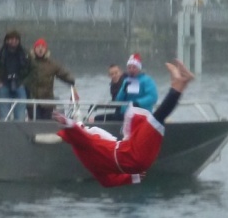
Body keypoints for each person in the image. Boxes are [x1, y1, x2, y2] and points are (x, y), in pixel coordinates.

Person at [54, 60, 196, 187]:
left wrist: (132, 178)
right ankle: (179, 83)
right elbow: (78, 134)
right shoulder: (85, 143)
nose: (84, 127)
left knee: (157, 121)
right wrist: (68, 123)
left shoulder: (88, 159)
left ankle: (182, 84)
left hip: (135, 160)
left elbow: (107, 182)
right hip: (131, 155)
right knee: (156, 118)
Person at [25, 38, 77, 120]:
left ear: (46, 49)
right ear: (34, 49)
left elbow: (62, 73)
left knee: (46, 123)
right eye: (38, 47)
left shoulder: (52, 64)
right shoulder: (28, 62)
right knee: (35, 122)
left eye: (42, 47)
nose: (40, 49)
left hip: (47, 99)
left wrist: (70, 79)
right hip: (32, 99)